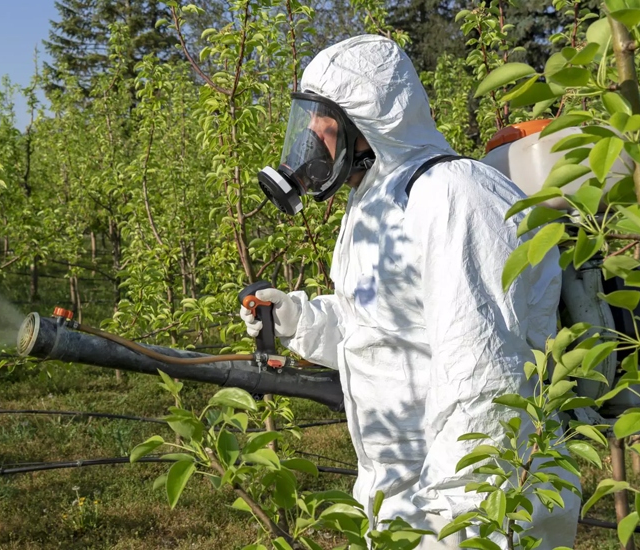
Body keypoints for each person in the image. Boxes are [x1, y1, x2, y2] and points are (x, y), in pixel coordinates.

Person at [240, 35, 580, 549]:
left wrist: (469, 522)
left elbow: (484, 373)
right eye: (305, 120)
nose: (310, 136)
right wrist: (302, 322)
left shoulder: (453, 194)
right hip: (400, 503)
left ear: (366, 123)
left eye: (323, 121)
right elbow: (383, 329)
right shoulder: (375, 205)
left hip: (474, 507)